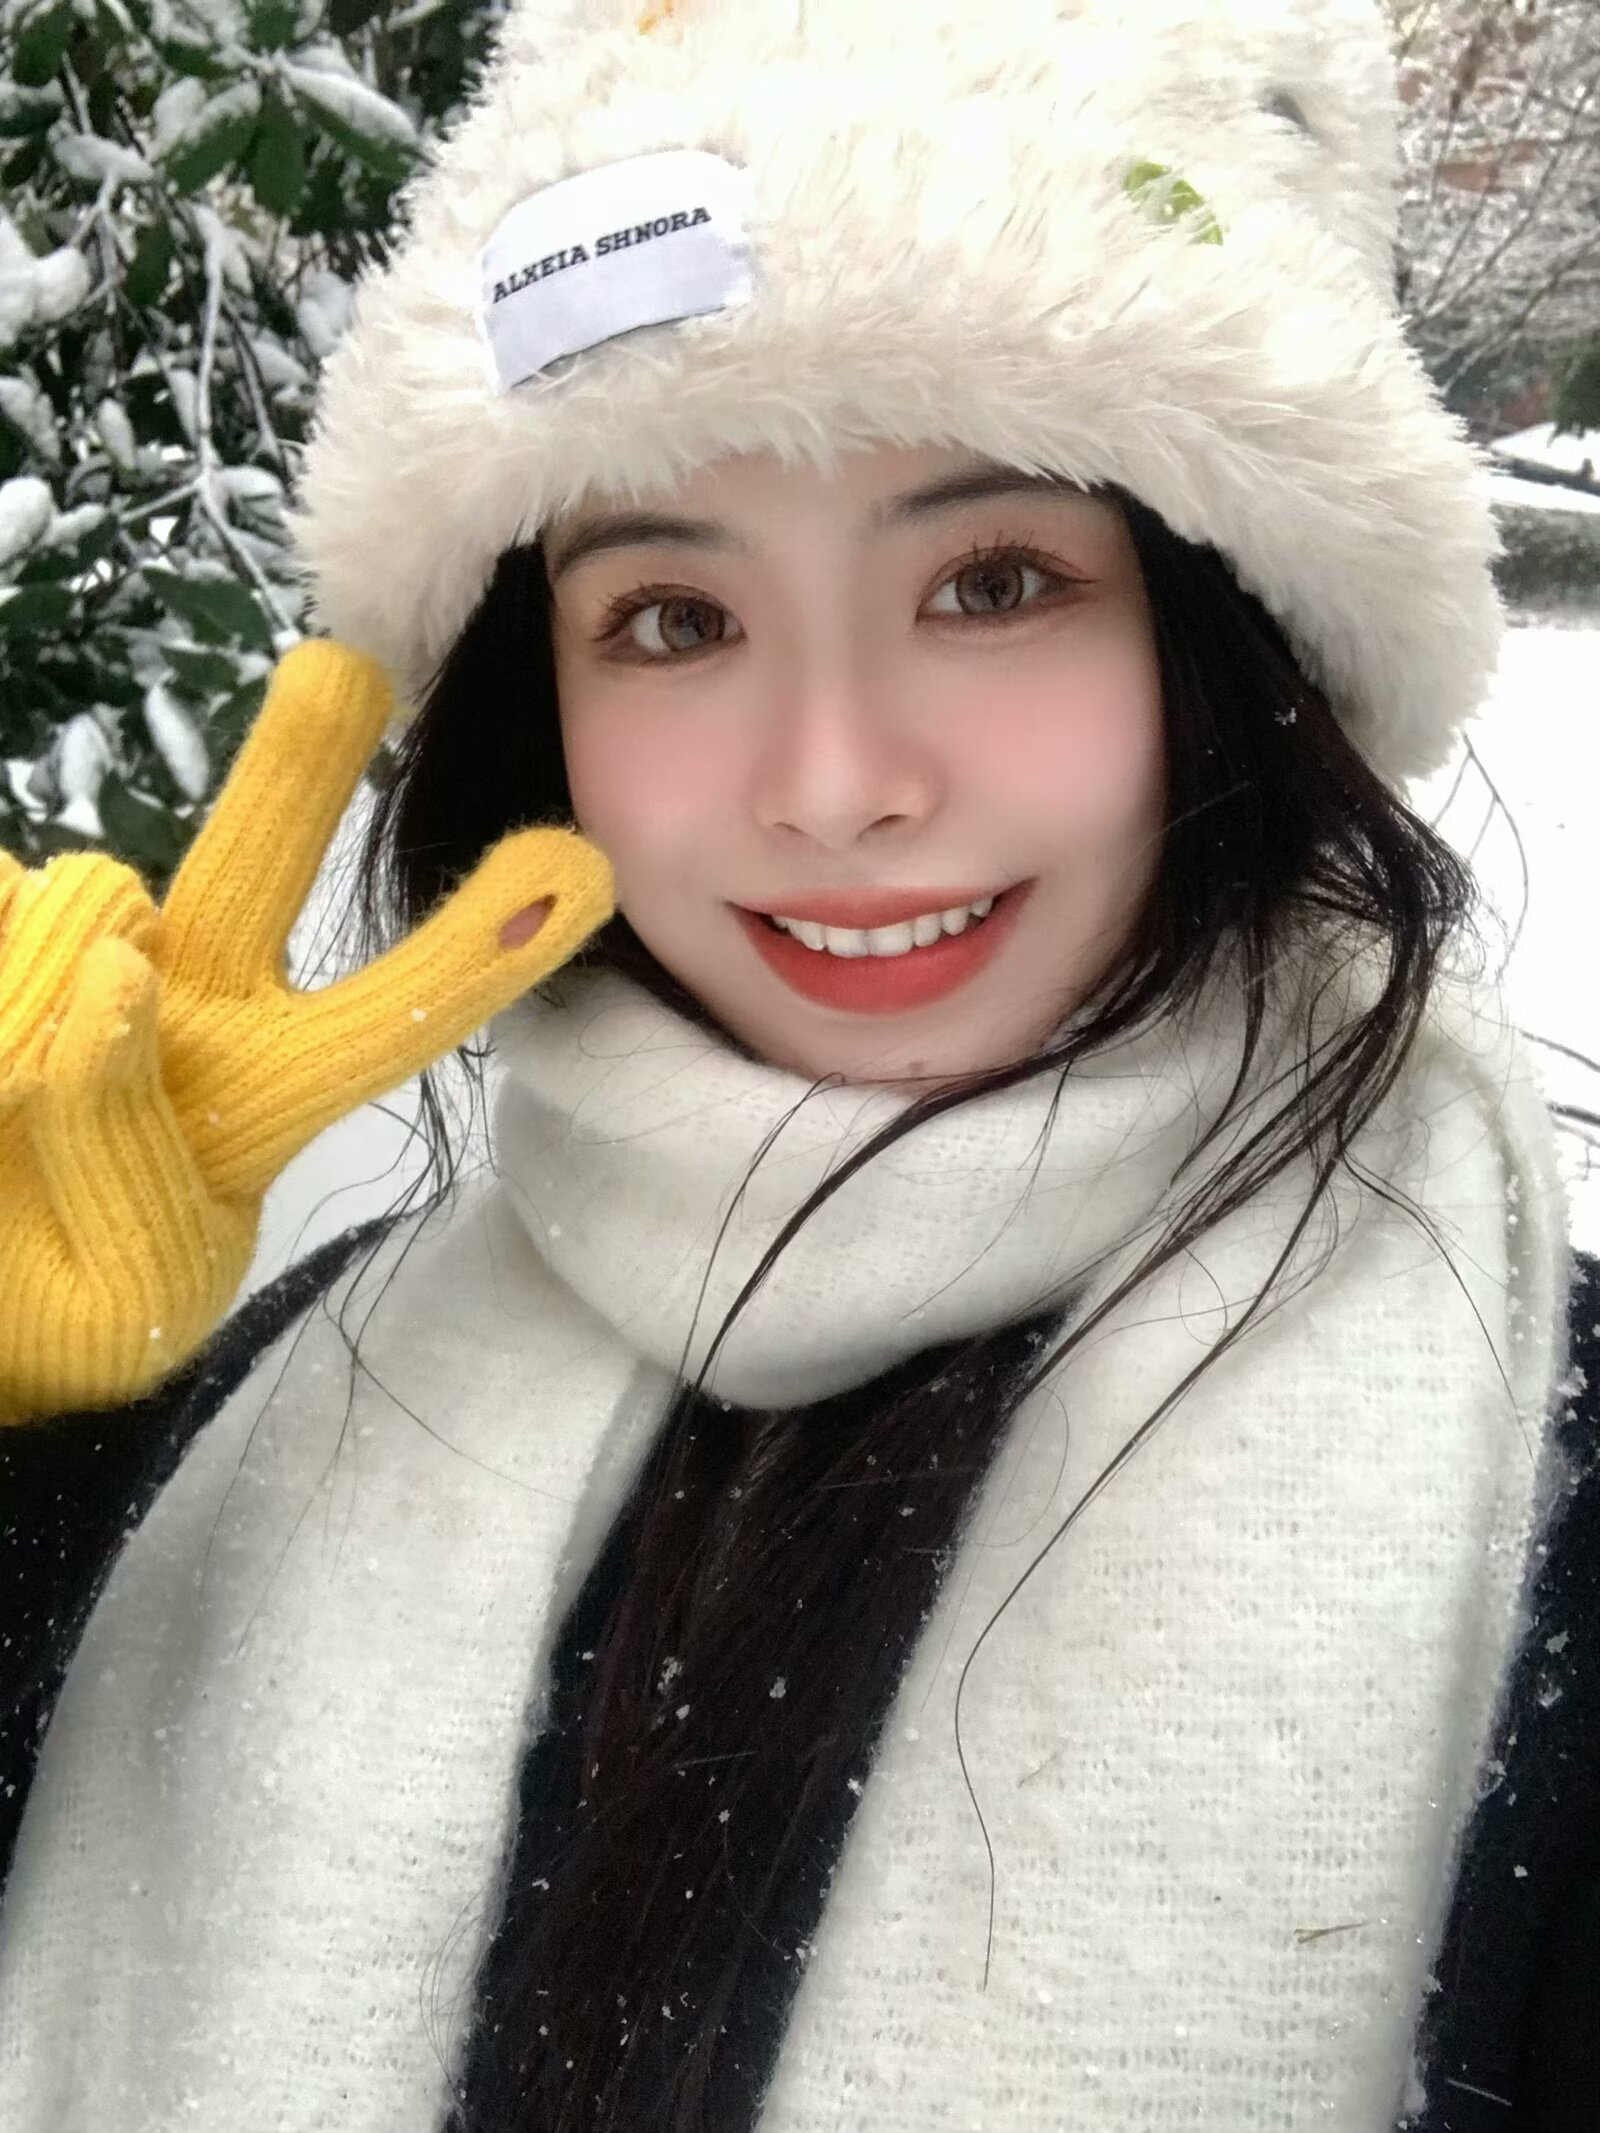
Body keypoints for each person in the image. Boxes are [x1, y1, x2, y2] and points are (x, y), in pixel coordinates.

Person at [0, 0, 1595, 2127]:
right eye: (674, 617)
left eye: (994, 580)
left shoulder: (1548, 1508)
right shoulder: (271, 1408)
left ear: (1231, 632)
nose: (834, 783)